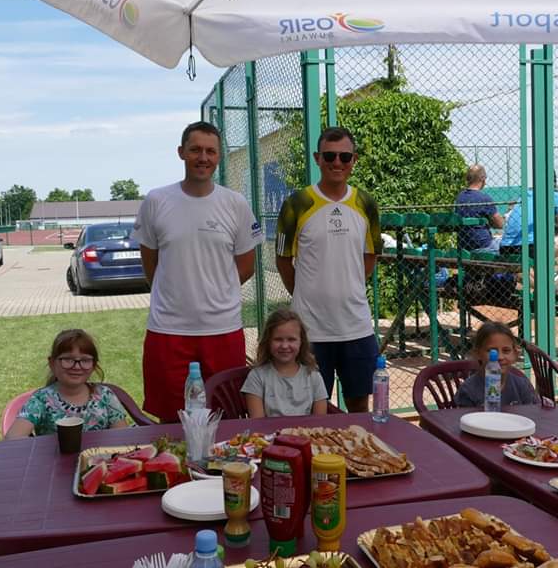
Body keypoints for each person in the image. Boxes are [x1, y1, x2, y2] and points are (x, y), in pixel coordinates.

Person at [134, 121, 264, 422]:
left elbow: (246, 266)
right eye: (195, 150)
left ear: (219, 156)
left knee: (224, 417)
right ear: (181, 152)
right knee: (171, 421)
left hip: (223, 329)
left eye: (210, 151)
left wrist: (216, 290)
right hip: (168, 331)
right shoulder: (156, 201)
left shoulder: (235, 204)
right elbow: (150, 264)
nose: (203, 158)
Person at [275, 126, 382, 413]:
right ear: (317, 158)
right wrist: (305, 294)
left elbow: (370, 256)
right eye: (329, 156)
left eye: (345, 157)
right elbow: (283, 260)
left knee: (359, 407)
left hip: (356, 327)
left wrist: (349, 288)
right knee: (310, 410)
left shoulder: (366, 204)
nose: (337, 163)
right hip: (310, 331)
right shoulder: (296, 204)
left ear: (354, 160)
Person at [4, 329, 130, 439]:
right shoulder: (41, 400)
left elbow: (123, 437)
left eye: (85, 360)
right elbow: (13, 437)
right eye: (68, 359)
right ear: (52, 363)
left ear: (94, 365)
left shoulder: (105, 396)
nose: (77, 366)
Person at [498, 188, 558, 305]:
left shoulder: (525, 195)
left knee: (536, 259)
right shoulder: (553, 195)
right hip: (530, 247)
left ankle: (549, 288)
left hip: (506, 248)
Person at [241, 308, 329, 418]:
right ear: (268, 341)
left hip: (307, 430)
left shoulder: (313, 376)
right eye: (278, 339)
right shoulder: (257, 377)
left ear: (301, 342)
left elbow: (319, 420)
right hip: (268, 430)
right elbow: (257, 422)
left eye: (291, 339)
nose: (284, 346)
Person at [456, 321, 539, 408]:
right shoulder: (468, 390)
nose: (500, 357)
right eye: (492, 351)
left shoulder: (522, 386)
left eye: (506, 351)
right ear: (478, 353)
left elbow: (532, 413)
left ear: (515, 354)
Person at [454, 164, 505, 253]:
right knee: (509, 243)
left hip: (464, 246)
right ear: (483, 179)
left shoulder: (460, 197)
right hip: (484, 246)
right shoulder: (484, 198)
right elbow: (500, 224)